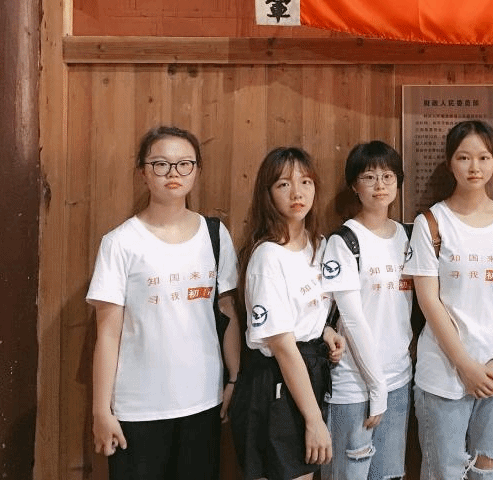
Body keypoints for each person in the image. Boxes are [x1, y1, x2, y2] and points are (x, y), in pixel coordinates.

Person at [87, 125, 240, 480]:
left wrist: (235, 378)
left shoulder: (215, 235)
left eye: (184, 164)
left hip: (204, 401)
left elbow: (227, 310)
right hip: (138, 409)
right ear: (143, 172)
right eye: (160, 164)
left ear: (197, 170)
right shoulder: (120, 243)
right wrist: (101, 411)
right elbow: (107, 334)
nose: (173, 173)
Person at [403, 119, 493, 480]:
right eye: (463, 157)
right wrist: (465, 366)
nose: (474, 167)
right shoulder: (431, 222)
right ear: (450, 163)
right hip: (444, 373)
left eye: (483, 157)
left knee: (490, 472)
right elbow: (428, 301)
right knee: (443, 472)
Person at [232, 147, 345, 480]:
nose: (297, 193)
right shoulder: (268, 256)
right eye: (284, 184)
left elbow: (304, 310)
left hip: (308, 372)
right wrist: (314, 420)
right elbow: (282, 346)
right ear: (267, 194)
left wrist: (324, 331)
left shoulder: (316, 243)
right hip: (276, 382)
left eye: (305, 182)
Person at [322, 141, 413, 480]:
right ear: (354, 185)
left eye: (388, 176)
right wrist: (376, 388)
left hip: (399, 379)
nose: (380, 185)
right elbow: (352, 319)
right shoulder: (344, 241)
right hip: (354, 385)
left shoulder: (408, 236)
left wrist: (387, 386)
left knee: (389, 475)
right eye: (369, 177)